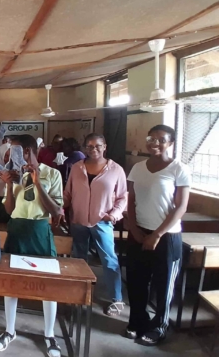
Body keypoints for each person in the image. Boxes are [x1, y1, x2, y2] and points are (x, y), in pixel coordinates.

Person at [0, 135, 64, 357]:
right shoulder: (14, 175)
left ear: (29, 151)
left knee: (47, 284)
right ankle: (9, 330)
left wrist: (36, 181)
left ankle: (50, 335)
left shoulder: (52, 174)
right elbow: (9, 211)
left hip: (39, 231)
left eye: (16, 151)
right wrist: (9, 184)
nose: (10, 155)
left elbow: (55, 211)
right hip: (17, 230)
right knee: (11, 283)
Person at [124, 125, 190, 346]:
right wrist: (133, 228)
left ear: (170, 143)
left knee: (163, 285)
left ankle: (160, 326)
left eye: (161, 140)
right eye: (151, 138)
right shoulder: (137, 168)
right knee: (136, 281)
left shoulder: (178, 169)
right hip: (138, 233)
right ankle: (137, 321)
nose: (154, 143)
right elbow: (130, 200)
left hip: (166, 236)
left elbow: (180, 207)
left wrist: (157, 235)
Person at [64, 133, 127, 317]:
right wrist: (61, 208)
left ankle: (116, 299)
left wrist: (114, 215)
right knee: (78, 258)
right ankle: (79, 294)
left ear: (105, 146)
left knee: (109, 259)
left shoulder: (116, 170)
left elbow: (123, 196)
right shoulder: (77, 168)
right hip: (79, 220)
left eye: (98, 146)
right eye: (89, 146)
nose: (94, 150)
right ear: (84, 148)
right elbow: (68, 192)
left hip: (102, 221)